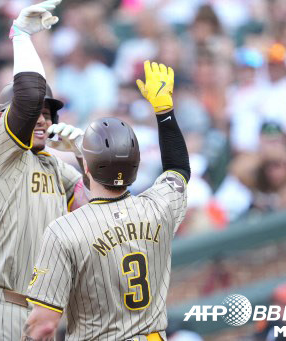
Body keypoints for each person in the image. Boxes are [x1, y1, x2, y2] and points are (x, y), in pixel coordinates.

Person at [24, 61, 190, 340]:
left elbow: (43, 325)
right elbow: (179, 169)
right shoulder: (159, 208)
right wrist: (164, 112)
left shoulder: (65, 231)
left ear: (86, 167)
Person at [0, 1, 88, 339]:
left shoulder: (55, 167)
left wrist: (87, 160)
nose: (42, 118)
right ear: (4, 119)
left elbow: (96, 217)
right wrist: (21, 37)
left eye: (49, 113)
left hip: (39, 316)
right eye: (35, 112)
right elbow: (27, 96)